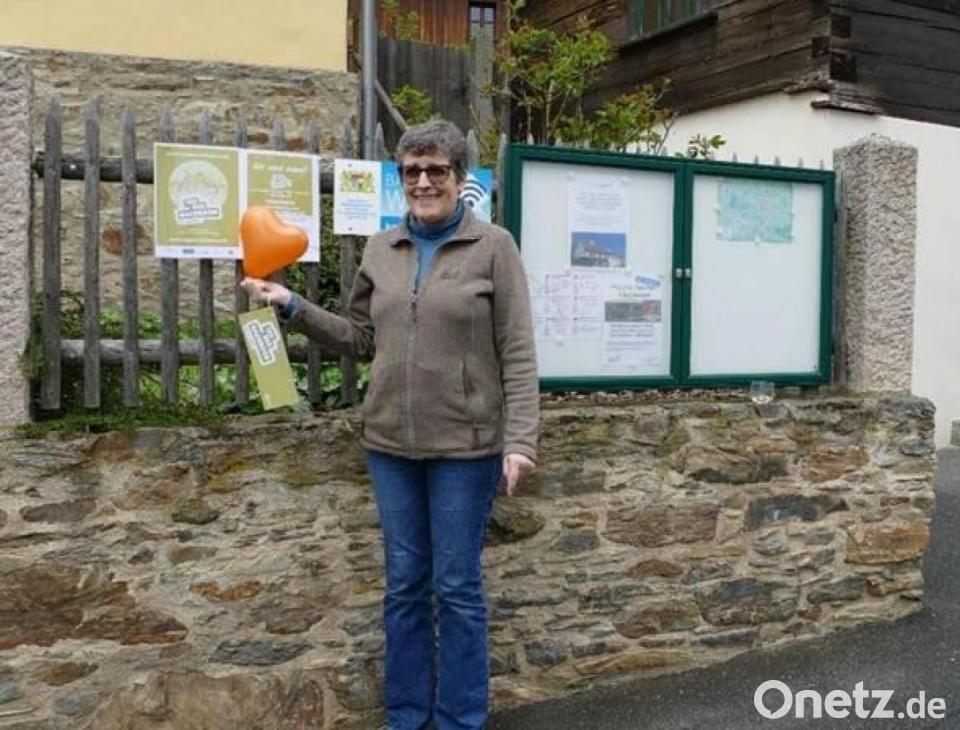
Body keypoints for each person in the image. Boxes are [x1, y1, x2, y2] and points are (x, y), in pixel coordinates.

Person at [241, 119, 539, 730]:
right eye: (412, 171)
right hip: (389, 446)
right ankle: (406, 717)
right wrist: (293, 306)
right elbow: (359, 336)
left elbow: (518, 349)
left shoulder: (494, 247)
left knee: (456, 588)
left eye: (437, 171)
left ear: (459, 178)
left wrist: (521, 440)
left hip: (466, 448)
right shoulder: (381, 248)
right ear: (401, 178)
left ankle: (459, 719)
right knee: (404, 586)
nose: (424, 182)